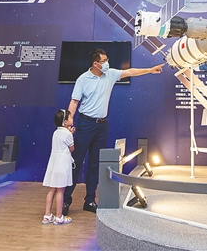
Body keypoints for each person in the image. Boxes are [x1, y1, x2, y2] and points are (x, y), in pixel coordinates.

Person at [63, 48, 163, 215]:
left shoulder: (110, 74)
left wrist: (150, 70)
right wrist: (68, 123)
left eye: (107, 60)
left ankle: (89, 200)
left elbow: (129, 72)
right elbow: (74, 102)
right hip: (85, 124)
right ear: (95, 64)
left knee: (95, 163)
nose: (107, 64)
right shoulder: (83, 79)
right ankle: (66, 200)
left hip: (102, 125)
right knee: (76, 162)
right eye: (104, 61)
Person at [42, 109, 75, 225]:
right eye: (70, 118)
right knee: (61, 191)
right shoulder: (67, 134)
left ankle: (47, 215)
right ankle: (59, 216)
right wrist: (71, 134)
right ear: (65, 122)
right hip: (62, 164)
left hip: (54, 163)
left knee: (52, 190)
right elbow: (72, 148)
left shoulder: (56, 133)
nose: (72, 119)